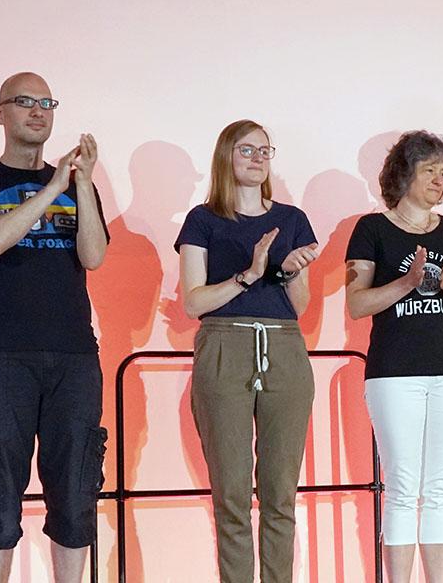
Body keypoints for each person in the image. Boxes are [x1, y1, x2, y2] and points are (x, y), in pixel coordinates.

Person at [0, 72, 109, 583]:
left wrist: (80, 185)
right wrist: (53, 187)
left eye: (47, 103)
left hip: (74, 358)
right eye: (24, 102)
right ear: (0, 114)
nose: (38, 112)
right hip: (2, 356)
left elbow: (94, 255)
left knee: (76, 495)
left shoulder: (78, 185)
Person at [174, 119, 319, 583]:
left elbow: (299, 308)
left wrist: (291, 271)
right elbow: (194, 301)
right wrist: (249, 275)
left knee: (281, 492)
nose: (257, 159)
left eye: (264, 151)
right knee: (231, 494)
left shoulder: (292, 220)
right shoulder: (203, 219)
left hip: (283, 348)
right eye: (246, 150)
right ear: (225, 157)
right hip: (224, 342)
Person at [344, 130, 443, 582]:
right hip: (394, 373)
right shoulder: (372, 229)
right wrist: (407, 283)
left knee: (439, 489)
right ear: (403, 174)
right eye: (429, 170)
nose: (439, 180)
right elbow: (357, 303)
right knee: (403, 489)